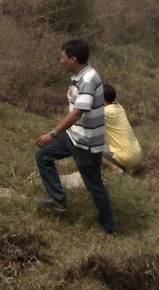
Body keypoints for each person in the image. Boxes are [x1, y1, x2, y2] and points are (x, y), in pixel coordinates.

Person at [34, 39, 116, 234]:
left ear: (73, 59)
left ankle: (108, 226)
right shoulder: (79, 75)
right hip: (74, 136)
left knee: (94, 184)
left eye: (62, 57)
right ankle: (58, 200)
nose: (60, 60)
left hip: (86, 143)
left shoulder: (88, 78)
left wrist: (52, 134)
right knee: (43, 156)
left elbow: (77, 113)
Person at [102, 83, 142, 173]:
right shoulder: (119, 107)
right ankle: (122, 165)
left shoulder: (105, 112)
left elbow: (82, 115)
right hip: (136, 154)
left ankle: (115, 168)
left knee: (89, 145)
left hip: (127, 157)